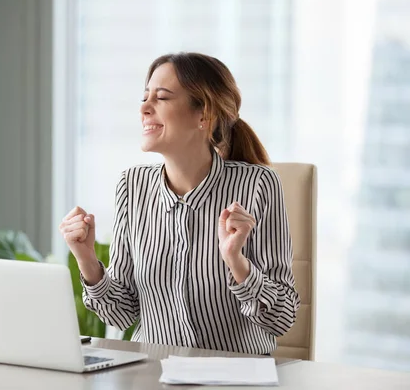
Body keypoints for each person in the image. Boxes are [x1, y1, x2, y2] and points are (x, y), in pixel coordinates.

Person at [59, 52, 300, 355]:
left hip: (235, 376)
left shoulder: (257, 185)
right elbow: (121, 312)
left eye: (161, 98)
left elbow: (282, 318)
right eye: (145, 97)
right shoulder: (132, 187)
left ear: (204, 115)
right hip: (153, 374)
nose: (144, 108)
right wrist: (86, 259)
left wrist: (236, 262)